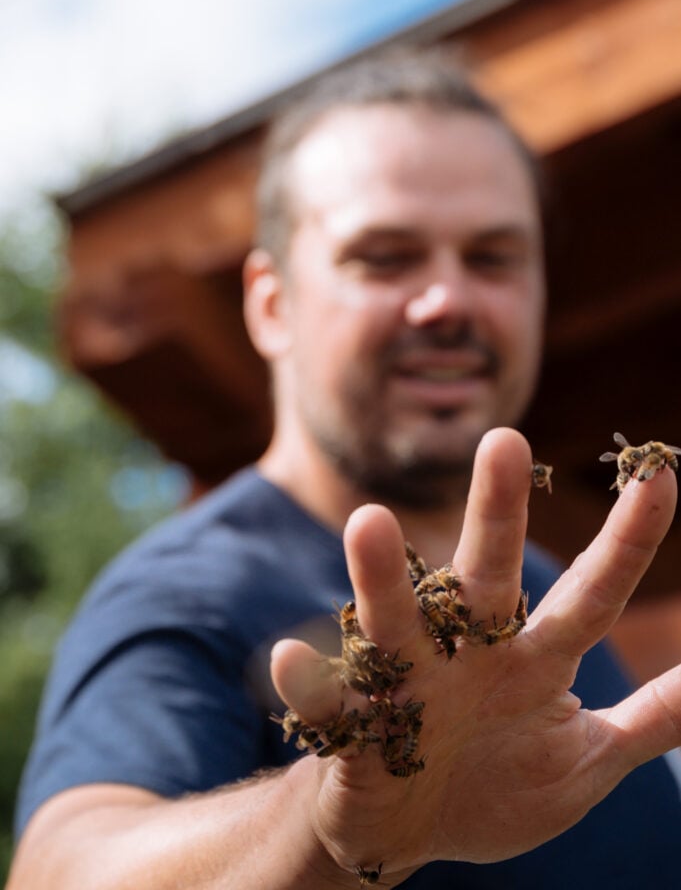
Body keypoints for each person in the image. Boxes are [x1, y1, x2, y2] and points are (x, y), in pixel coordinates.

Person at [8, 47, 681, 890]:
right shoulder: (193, 591)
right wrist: (324, 822)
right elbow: (61, 870)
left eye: (493, 256)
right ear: (272, 304)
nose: (446, 300)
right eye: (385, 255)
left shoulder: (548, 594)